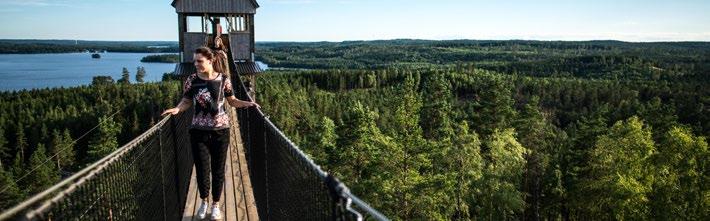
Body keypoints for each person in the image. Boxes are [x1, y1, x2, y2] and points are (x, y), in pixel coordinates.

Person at [162, 47, 259, 220]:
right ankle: (204, 201)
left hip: (221, 131)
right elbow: (186, 101)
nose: (196, 64)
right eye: (194, 61)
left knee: (218, 169)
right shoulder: (191, 80)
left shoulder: (224, 80)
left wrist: (248, 103)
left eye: (199, 61)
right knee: (202, 169)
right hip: (198, 131)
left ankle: (215, 204)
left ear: (210, 60)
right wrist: (177, 109)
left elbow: (232, 101)